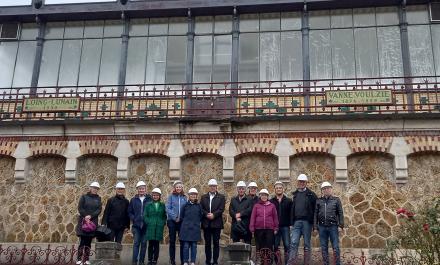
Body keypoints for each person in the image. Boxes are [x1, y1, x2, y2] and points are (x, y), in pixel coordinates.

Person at [287, 174, 317, 265]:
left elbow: (315, 210)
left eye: (303, 182)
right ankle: (291, 262)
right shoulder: (295, 195)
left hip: (307, 223)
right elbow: (292, 209)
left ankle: (306, 263)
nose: (301, 183)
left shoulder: (312, 195)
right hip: (296, 223)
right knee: (293, 242)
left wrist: (314, 225)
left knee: (307, 244)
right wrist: (291, 223)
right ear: (297, 182)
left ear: (306, 183)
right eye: (300, 181)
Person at [315, 182, 344, 265]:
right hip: (322, 227)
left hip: (333, 227)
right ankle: (326, 263)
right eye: (324, 189)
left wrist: (341, 225)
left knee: (335, 247)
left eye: (328, 188)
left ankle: (337, 263)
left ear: (331, 189)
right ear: (322, 191)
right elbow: (315, 214)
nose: (326, 190)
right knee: (324, 247)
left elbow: (340, 213)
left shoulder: (336, 200)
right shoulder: (319, 201)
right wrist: (315, 227)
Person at [249, 189, 279, 265]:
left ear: (267, 196)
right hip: (259, 229)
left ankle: (269, 262)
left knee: (269, 246)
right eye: (262, 195)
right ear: (260, 196)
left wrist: (276, 228)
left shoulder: (272, 206)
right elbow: (253, 217)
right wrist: (252, 227)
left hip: (269, 229)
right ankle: (262, 262)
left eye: (265, 195)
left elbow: (275, 217)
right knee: (261, 246)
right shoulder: (256, 206)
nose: (264, 196)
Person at [200, 179, 226, 265]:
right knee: (207, 243)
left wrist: (214, 215)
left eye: (214, 186)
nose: (212, 187)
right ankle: (208, 261)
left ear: (216, 187)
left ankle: (215, 261)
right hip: (206, 223)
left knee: (216, 243)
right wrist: (206, 214)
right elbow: (201, 208)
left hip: (217, 223)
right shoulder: (203, 197)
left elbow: (221, 209)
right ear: (209, 187)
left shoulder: (221, 197)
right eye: (211, 186)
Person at [76, 182, 102, 265]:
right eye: (94, 188)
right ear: (90, 188)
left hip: (92, 222)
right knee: (82, 242)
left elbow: (99, 210)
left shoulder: (98, 198)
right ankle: (79, 259)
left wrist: (91, 216)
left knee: (89, 242)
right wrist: (85, 216)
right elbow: (80, 208)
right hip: (83, 221)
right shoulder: (84, 197)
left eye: (97, 188)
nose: (95, 189)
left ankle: (86, 259)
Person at [128, 181, 152, 265]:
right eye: (140, 189)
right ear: (137, 190)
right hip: (136, 226)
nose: (141, 190)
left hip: (146, 226)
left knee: (144, 244)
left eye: (143, 188)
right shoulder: (133, 200)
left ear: (145, 189)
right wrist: (133, 218)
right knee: (136, 243)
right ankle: (134, 261)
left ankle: (141, 261)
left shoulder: (150, 200)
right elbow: (129, 212)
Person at [270, 181, 292, 265]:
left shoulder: (289, 201)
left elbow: (291, 214)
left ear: (283, 189)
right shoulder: (271, 201)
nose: (278, 189)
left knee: (287, 245)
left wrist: (291, 224)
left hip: (285, 226)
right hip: (275, 227)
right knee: (275, 246)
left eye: (280, 188)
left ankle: (287, 263)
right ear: (275, 190)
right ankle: (278, 263)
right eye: (277, 188)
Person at [166, 180, 187, 265]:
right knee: (172, 241)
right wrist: (175, 217)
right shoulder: (171, 197)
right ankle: (172, 260)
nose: (178, 188)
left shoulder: (184, 197)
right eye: (177, 187)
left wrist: (180, 218)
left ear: (182, 188)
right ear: (175, 188)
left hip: (181, 222)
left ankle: (182, 261)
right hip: (172, 221)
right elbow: (168, 208)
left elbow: (186, 209)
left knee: (182, 241)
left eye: (180, 187)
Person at [180, 188, 204, 265]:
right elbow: (181, 216)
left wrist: (195, 223)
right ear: (189, 196)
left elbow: (201, 216)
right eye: (191, 194)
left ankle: (193, 261)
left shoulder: (199, 206)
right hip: (186, 228)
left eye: (194, 194)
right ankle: (185, 261)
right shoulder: (185, 206)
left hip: (195, 228)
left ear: (196, 196)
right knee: (186, 246)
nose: (193, 196)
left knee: (194, 246)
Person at [143, 188, 167, 265]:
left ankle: (155, 260)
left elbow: (164, 216)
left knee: (157, 245)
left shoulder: (162, 205)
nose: (155, 196)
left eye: (157, 195)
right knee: (150, 244)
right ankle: (150, 259)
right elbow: (145, 215)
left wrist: (162, 223)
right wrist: (148, 222)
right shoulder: (148, 205)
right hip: (150, 227)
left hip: (159, 227)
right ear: (152, 196)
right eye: (154, 195)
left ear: (159, 196)